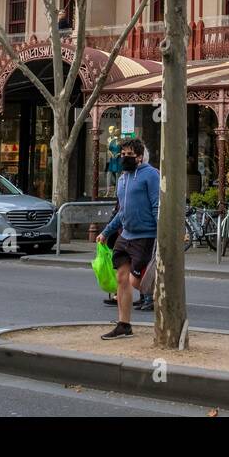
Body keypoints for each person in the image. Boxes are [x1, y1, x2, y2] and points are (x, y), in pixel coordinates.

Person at [95, 137, 159, 339]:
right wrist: (106, 232)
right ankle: (124, 325)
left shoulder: (151, 175)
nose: (124, 158)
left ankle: (166, 297)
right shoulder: (122, 179)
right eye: (122, 155)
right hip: (126, 235)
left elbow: (157, 205)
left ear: (139, 157)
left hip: (145, 236)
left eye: (129, 155)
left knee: (136, 281)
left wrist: (161, 234)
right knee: (122, 278)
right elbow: (122, 212)